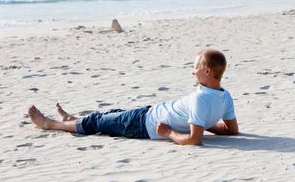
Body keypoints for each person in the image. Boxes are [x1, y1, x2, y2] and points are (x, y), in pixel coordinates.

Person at [27, 48, 238, 145]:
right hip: (147, 113)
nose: (193, 72)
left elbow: (194, 140)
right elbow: (231, 130)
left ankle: (50, 124)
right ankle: (71, 120)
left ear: (207, 71)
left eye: (195, 68)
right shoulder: (224, 96)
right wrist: (201, 121)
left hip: (144, 124)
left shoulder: (200, 99)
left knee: (98, 122)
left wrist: (169, 133)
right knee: (111, 115)